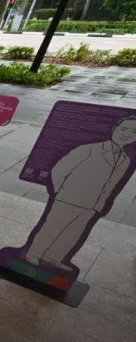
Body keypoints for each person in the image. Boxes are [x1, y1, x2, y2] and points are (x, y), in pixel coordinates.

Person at [23, 115, 136, 270]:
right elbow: (60, 169)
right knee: (53, 226)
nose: (127, 134)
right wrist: (60, 192)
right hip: (68, 198)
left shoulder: (125, 160)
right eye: (124, 129)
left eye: (134, 132)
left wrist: (100, 203)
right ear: (114, 129)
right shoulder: (90, 149)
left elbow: (111, 184)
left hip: (92, 203)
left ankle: (54, 257)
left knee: (73, 232)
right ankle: (34, 253)